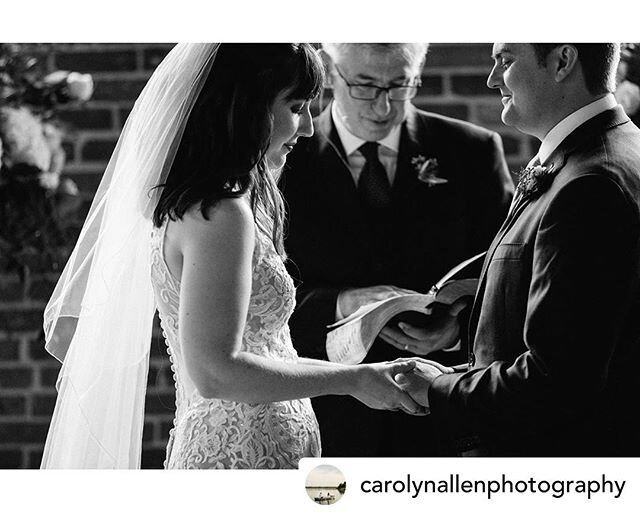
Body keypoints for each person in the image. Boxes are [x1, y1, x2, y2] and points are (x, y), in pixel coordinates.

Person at [40, 43, 427, 469]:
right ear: (247, 106)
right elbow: (215, 373)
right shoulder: (219, 214)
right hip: (236, 458)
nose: (308, 129)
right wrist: (354, 380)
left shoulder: (220, 205)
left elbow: (266, 352)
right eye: (296, 107)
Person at [398, 43, 640, 456]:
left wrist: (437, 389)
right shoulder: (609, 149)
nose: (493, 79)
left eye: (506, 61)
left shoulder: (589, 184)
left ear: (563, 61)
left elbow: (558, 378)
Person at [281, 43, 514, 456]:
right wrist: (341, 303)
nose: (384, 106)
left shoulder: (471, 151)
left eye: (400, 85)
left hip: (442, 413)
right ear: (331, 74)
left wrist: (457, 328)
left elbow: (508, 275)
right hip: (328, 413)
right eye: (366, 85)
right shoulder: (284, 160)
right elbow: (258, 298)